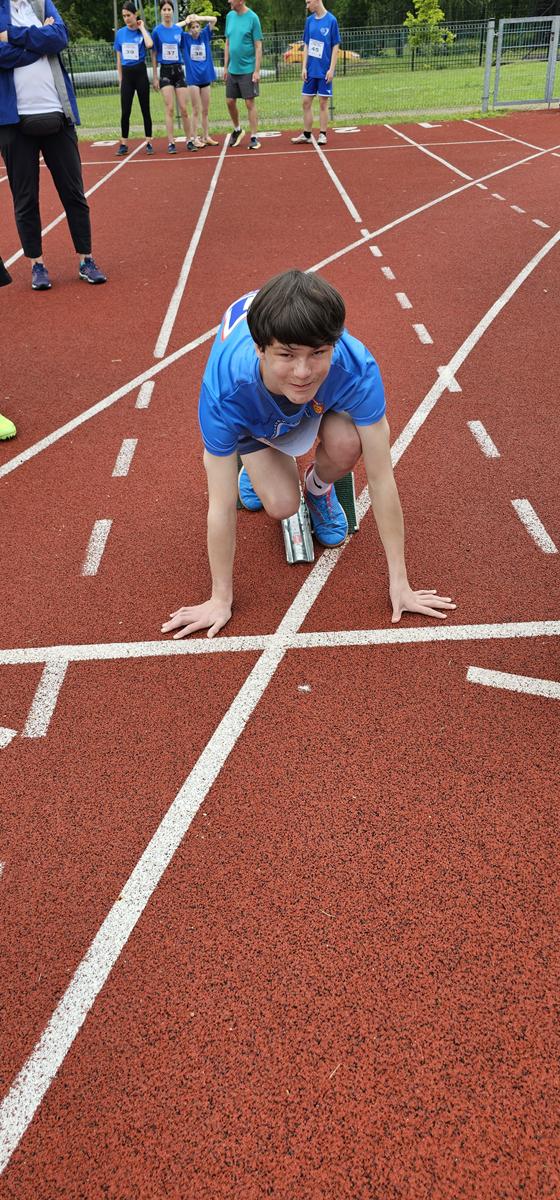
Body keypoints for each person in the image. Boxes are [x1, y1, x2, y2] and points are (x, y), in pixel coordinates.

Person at [161, 270, 455, 640]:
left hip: (315, 405)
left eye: (318, 353)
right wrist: (220, 599)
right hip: (255, 419)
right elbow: (220, 505)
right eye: (287, 355)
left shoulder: (356, 367)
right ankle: (254, 462)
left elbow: (382, 478)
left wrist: (402, 583)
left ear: (334, 344)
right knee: (281, 505)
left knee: (349, 443)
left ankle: (318, 488)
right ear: (260, 348)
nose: (302, 371)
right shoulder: (225, 391)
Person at [0, 0, 106, 290]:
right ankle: (37, 264)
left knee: (74, 192)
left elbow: (59, 38)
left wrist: (12, 36)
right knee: (25, 198)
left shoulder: (42, 4)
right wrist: (40, 43)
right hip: (13, 123)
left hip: (58, 115)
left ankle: (86, 260)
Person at [291, 0, 339, 147]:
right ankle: (306, 134)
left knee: (323, 103)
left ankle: (323, 134)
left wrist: (331, 69)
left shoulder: (331, 20)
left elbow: (335, 46)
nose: (307, 6)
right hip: (311, 70)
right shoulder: (309, 21)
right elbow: (306, 44)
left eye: (308, 2)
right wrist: (304, 67)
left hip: (324, 71)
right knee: (306, 102)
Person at [151, 0, 196, 153]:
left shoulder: (178, 30)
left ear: (172, 12)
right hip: (165, 72)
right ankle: (171, 143)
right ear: (161, 12)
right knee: (169, 108)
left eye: (169, 9)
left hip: (178, 70)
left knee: (184, 108)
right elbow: (154, 53)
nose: (167, 12)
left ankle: (189, 140)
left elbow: (183, 48)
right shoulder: (157, 31)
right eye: (164, 9)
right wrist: (155, 77)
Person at [114, 1, 154, 157]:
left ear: (135, 14)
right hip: (127, 75)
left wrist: (142, 27)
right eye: (124, 16)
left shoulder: (140, 32)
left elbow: (149, 44)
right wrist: (120, 79)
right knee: (125, 111)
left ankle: (149, 141)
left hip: (140, 73)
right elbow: (119, 58)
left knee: (145, 109)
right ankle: (123, 143)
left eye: (128, 15)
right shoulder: (120, 34)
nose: (126, 18)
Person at [223, 0, 262, 151]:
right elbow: (227, 43)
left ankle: (254, 137)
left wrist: (256, 70)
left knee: (249, 103)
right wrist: (225, 67)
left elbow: (258, 46)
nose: (229, 1)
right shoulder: (230, 16)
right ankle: (238, 129)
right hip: (232, 69)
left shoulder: (253, 18)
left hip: (248, 69)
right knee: (229, 101)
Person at [182, 12, 218, 148]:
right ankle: (194, 138)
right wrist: (186, 21)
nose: (196, 29)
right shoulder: (185, 38)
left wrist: (199, 18)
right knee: (196, 109)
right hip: (193, 79)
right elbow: (174, 28)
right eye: (193, 27)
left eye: (197, 26)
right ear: (189, 29)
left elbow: (214, 19)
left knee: (205, 110)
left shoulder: (204, 35)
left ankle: (206, 136)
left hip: (205, 77)